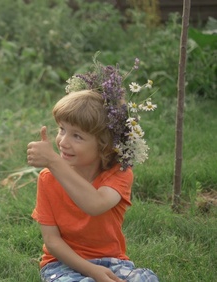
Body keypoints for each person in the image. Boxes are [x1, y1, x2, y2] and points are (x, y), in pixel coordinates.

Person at [26, 58, 159, 282]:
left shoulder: (119, 173)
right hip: (62, 264)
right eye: (61, 129)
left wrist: (54, 162)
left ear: (104, 145)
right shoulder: (48, 179)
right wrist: (91, 271)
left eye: (77, 136)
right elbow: (53, 242)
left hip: (113, 260)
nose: (63, 142)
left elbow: (95, 205)